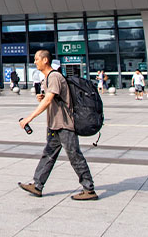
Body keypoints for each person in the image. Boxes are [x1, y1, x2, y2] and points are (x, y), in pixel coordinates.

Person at [18, 49, 97, 201]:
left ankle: (89, 189)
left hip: (64, 124)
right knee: (48, 153)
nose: (35, 62)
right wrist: (42, 98)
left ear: (45, 60)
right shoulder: (47, 78)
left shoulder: (54, 76)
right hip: (55, 124)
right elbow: (50, 100)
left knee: (74, 155)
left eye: (36, 59)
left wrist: (29, 118)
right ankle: (37, 184)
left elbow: (48, 101)